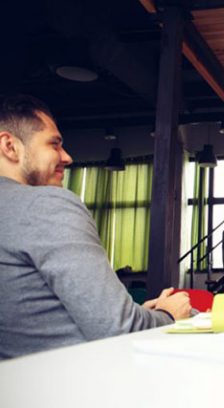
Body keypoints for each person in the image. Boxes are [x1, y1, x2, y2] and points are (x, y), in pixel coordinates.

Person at [0, 95, 192, 359]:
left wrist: (140, 313)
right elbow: (120, 330)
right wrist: (169, 314)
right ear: (10, 146)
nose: (67, 157)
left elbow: (36, 316)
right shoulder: (45, 204)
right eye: (54, 144)